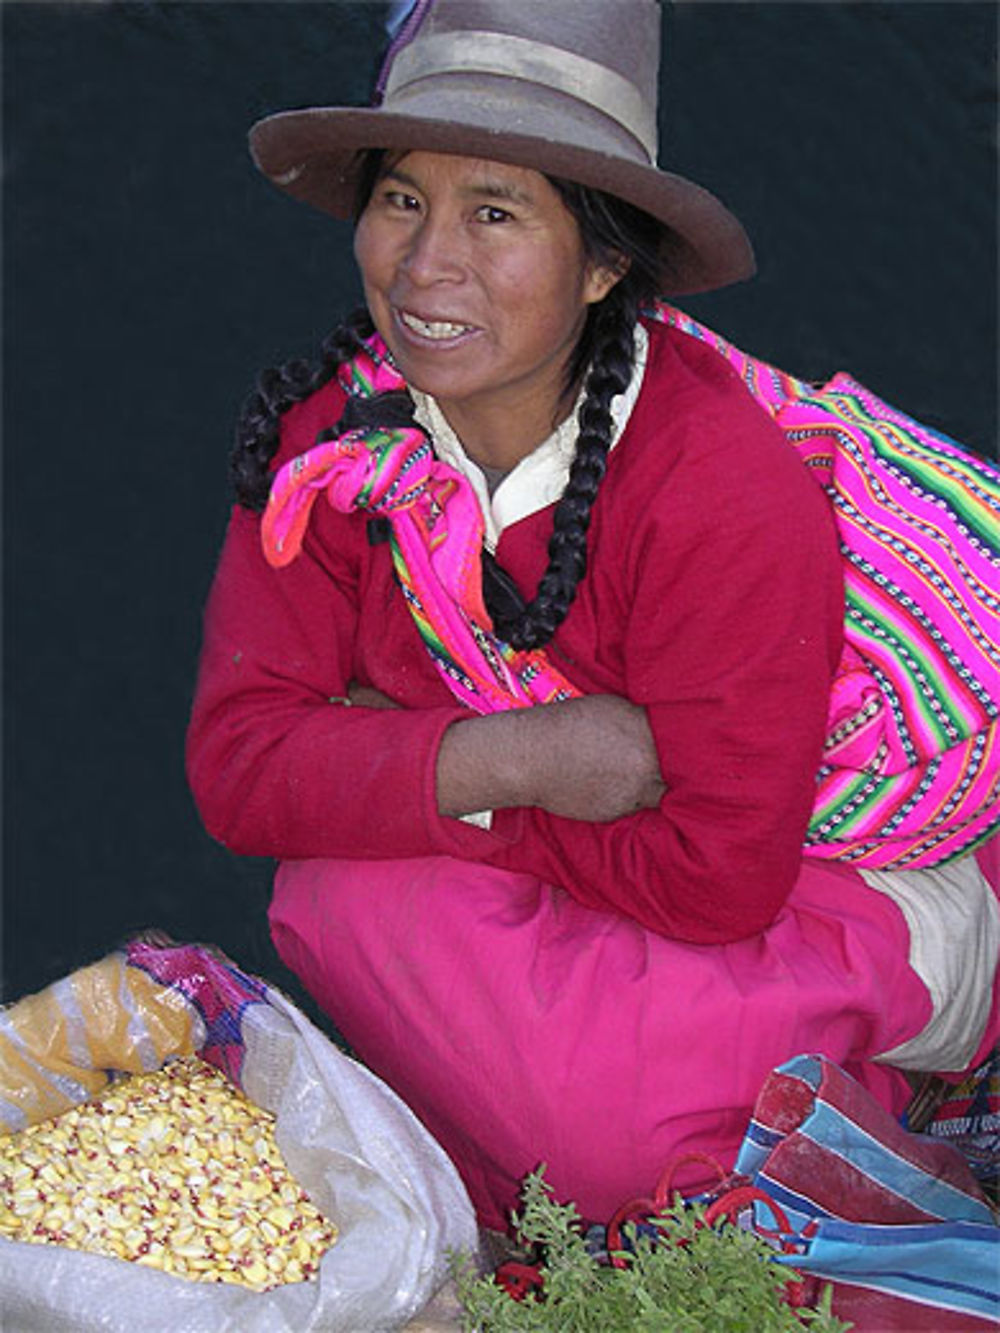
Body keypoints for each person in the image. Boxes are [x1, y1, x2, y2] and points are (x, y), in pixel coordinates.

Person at [187, 0, 999, 1230]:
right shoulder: (329, 445)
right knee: (328, 895)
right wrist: (528, 758)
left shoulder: (712, 484)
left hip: (809, 886)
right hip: (593, 867)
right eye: (402, 199)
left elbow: (719, 878)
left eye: (495, 213)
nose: (424, 265)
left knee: (619, 1145)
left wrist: (393, 762)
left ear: (605, 261)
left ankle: (893, 1038)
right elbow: (244, 769)